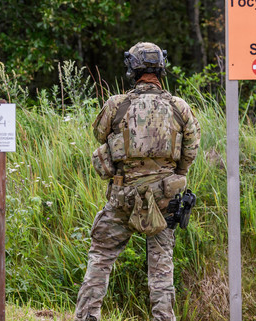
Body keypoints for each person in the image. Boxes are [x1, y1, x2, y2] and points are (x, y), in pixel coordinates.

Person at [75, 42, 201, 321]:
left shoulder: (116, 104)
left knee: (101, 257)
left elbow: (99, 135)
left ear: (132, 69)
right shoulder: (179, 107)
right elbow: (190, 153)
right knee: (161, 266)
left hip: (123, 197)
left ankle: (87, 317)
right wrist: (169, 174)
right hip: (163, 199)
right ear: (161, 69)